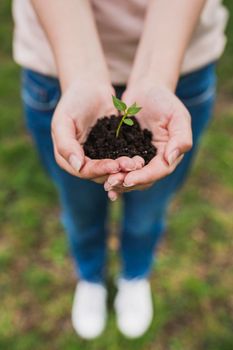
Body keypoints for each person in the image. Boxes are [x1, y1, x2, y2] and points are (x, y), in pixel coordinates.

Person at [13, 0, 228, 340]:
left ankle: (135, 274)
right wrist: (81, 74)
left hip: (182, 61)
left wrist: (156, 76)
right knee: (80, 211)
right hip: (55, 64)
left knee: (148, 214)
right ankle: (90, 277)